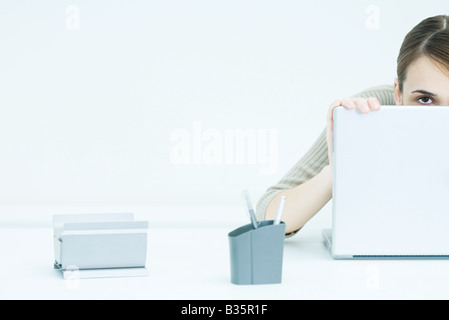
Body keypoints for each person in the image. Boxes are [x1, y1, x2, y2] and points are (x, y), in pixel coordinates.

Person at [256, 15, 449, 237]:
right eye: (425, 100)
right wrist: (338, 170)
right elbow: (268, 219)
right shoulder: (372, 110)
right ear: (398, 94)